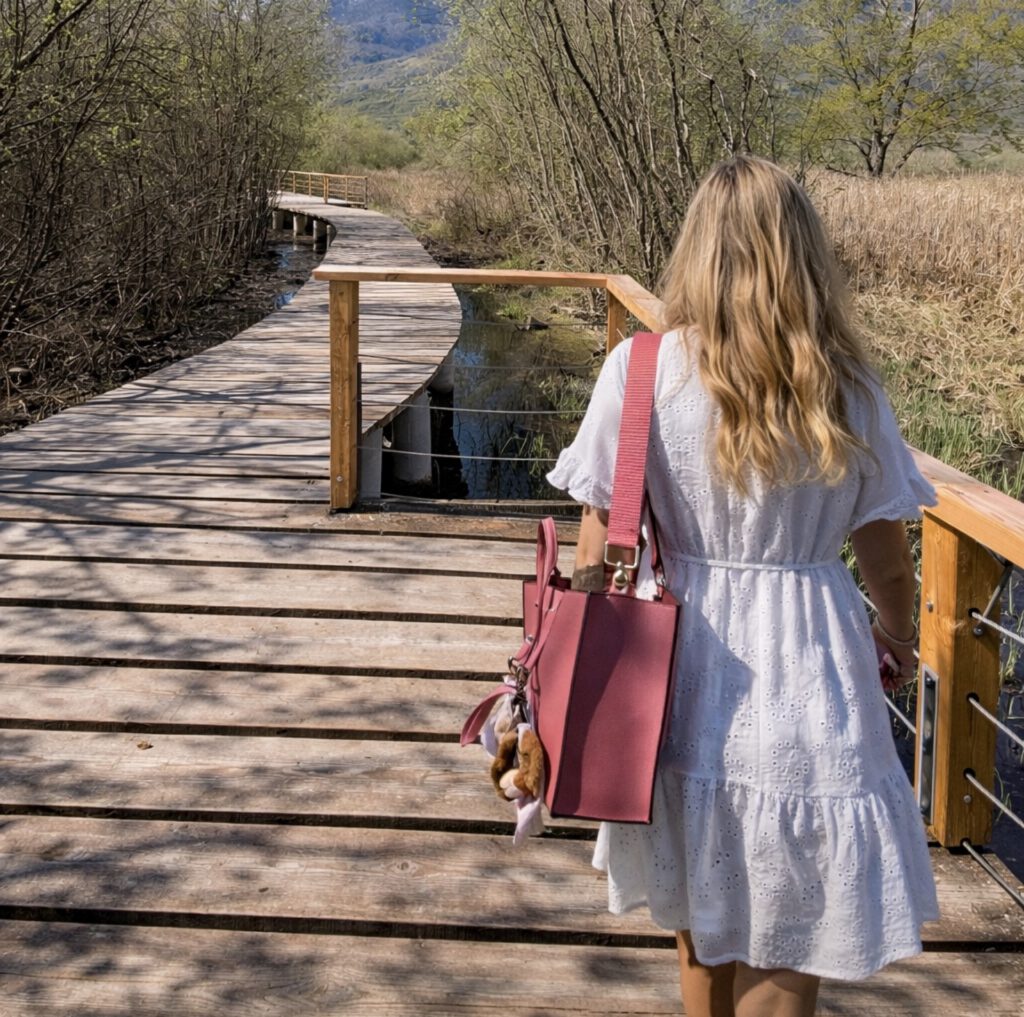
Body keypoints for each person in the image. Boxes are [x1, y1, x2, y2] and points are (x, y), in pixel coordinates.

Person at [546, 155, 939, 1017]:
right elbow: (887, 557)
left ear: (696, 249)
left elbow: (597, 538)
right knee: (795, 925)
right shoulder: (847, 385)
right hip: (813, 666)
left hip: (677, 672)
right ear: (804, 252)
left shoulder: (641, 369)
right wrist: (898, 635)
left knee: (701, 902)